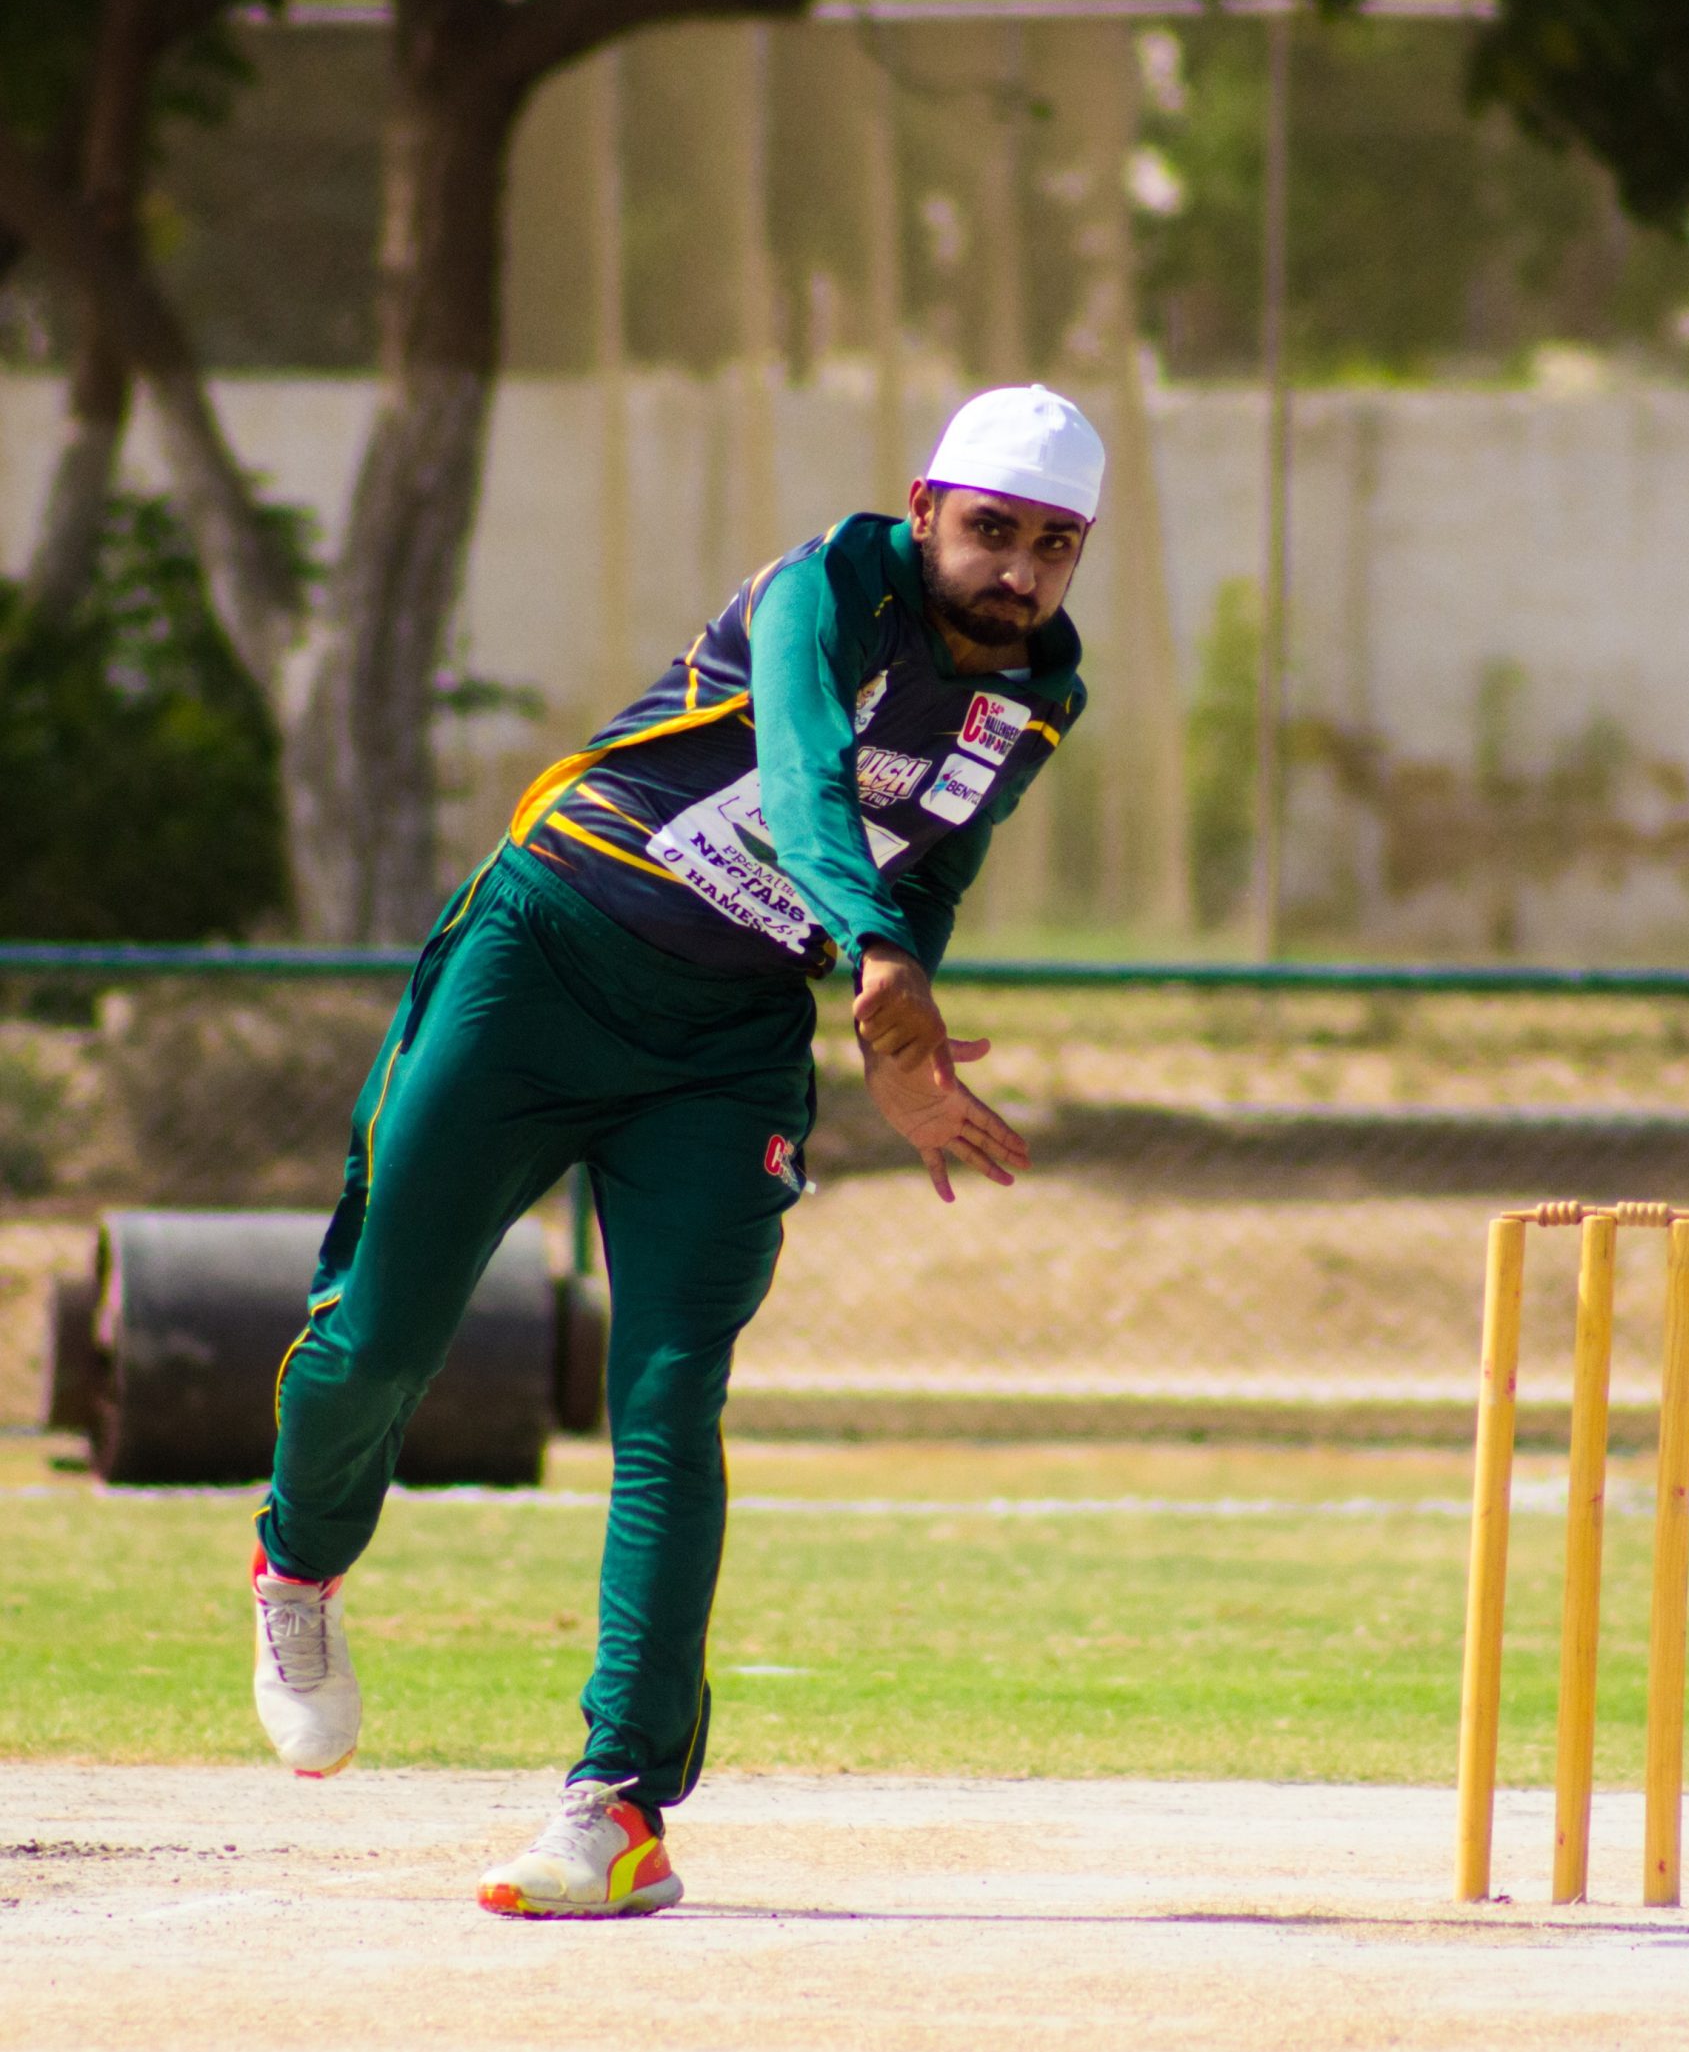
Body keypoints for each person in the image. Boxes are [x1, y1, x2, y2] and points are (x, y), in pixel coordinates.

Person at [246, 384, 1102, 1916]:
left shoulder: (1038, 694)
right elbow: (806, 778)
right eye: (992, 530)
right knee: (380, 1335)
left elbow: (937, 860)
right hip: (543, 955)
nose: (1018, 571)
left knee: (667, 1402)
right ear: (924, 510)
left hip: (725, 1047)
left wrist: (896, 1029)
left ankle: (619, 1807)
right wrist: (873, 950)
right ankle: (298, 1566)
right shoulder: (822, 593)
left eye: (1055, 545)